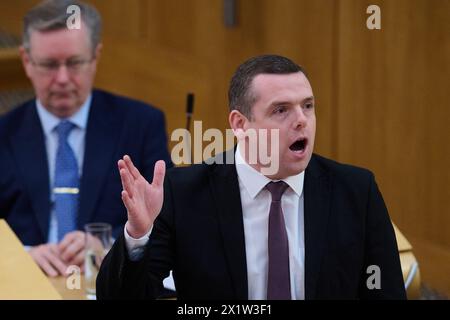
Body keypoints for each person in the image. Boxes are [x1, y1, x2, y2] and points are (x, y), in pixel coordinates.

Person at [96, 55, 406, 300]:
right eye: (281, 110)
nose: (302, 121)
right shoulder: (184, 193)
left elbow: (385, 293)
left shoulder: (355, 191)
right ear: (240, 124)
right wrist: (138, 236)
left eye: (308, 106)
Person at [0, 0, 172, 277]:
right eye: (49, 65)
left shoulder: (141, 124)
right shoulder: (4, 133)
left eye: (75, 62)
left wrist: (110, 244)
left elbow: (167, 216)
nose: (63, 78)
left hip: (107, 281)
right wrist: (23, 253)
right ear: (26, 61)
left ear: (95, 57)